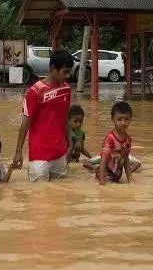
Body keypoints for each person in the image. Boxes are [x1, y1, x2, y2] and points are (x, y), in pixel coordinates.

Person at [12, 49, 74, 182]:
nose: (68, 75)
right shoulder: (35, 91)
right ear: (53, 69)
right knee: (39, 198)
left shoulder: (66, 90)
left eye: (69, 72)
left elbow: (65, 119)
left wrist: (70, 144)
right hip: (39, 155)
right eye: (65, 72)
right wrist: (18, 151)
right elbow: (25, 123)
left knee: (60, 195)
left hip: (60, 153)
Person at [85, 101, 141, 184]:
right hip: (105, 177)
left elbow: (126, 160)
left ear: (131, 119)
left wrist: (130, 180)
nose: (123, 123)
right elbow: (103, 160)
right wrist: (102, 183)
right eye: (119, 119)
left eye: (126, 119)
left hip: (116, 177)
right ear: (112, 119)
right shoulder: (110, 138)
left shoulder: (128, 139)